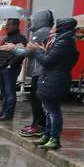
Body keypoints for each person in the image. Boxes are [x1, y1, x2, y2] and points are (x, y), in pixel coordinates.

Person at [24, 17, 79, 151]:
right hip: (50, 78)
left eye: (55, 25)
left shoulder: (63, 43)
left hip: (55, 80)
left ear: (61, 27)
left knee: (53, 112)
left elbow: (48, 61)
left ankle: (54, 138)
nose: (52, 27)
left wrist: (36, 51)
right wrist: (41, 49)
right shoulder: (60, 41)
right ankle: (47, 135)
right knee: (48, 111)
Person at [20, 9, 54, 137]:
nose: (31, 23)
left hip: (39, 72)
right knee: (35, 99)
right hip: (40, 71)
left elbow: (26, 52)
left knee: (36, 100)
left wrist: (13, 48)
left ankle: (38, 125)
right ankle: (36, 123)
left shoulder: (40, 32)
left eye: (33, 20)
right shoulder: (46, 32)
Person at [0, 21, 27, 120]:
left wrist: (11, 64)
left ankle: (8, 114)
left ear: (16, 25)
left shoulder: (21, 39)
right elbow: (0, 54)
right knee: (3, 91)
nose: (6, 27)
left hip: (11, 68)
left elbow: (21, 54)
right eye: (6, 25)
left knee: (10, 91)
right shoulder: (5, 39)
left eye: (9, 25)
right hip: (3, 67)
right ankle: (3, 111)